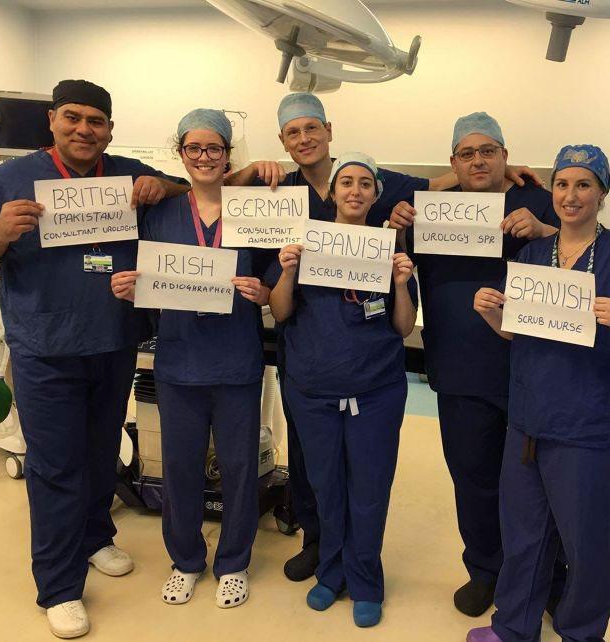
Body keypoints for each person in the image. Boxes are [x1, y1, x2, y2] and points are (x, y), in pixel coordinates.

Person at [231, 93, 543, 583]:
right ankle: (322, 547)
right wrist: (247, 175)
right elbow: (214, 201)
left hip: (379, 374)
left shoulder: (406, 206)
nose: (305, 138)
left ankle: (370, 566)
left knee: (376, 479)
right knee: (317, 470)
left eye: (312, 128)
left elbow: (434, 187)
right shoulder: (283, 191)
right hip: (309, 370)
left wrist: (496, 170)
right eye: (293, 132)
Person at [0, 79, 188, 639]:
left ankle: (93, 537)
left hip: (112, 341)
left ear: (110, 128)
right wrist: (1, 231)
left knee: (101, 449)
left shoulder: (126, 173)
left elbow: (187, 190)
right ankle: (58, 585)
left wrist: (163, 185)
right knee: (56, 464)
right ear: (53, 120)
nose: (85, 129)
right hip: (45, 347)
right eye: (74, 118)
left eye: (97, 121)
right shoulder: (11, 179)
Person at [467, 144, 610, 642]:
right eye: (562, 184)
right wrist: (492, 311)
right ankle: (514, 626)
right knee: (524, 533)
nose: (570, 195)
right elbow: (518, 332)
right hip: (530, 418)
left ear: (602, 192)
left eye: (583, 185)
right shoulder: (535, 255)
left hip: (589, 426)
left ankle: (582, 631)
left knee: (585, 541)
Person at [386, 112, 563, 616]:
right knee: (473, 478)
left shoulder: (538, 203)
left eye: (489, 151)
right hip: (458, 373)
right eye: (467, 153)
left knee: (537, 484)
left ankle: (547, 576)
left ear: (506, 157)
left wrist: (546, 229)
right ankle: (485, 570)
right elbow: (388, 261)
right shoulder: (431, 214)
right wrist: (397, 230)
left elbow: (593, 252)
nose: (478, 160)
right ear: (453, 163)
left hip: (530, 372)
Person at [109, 109, 271, 609]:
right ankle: (185, 560)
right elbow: (142, 276)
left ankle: (234, 562)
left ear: (228, 156)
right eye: (194, 149)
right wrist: (126, 287)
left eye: (214, 149)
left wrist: (262, 291)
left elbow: (274, 283)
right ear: (181, 153)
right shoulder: (160, 214)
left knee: (241, 467)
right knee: (179, 468)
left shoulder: (252, 212)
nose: (204, 157)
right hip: (179, 362)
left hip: (237, 361)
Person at [268, 152, 417, 628]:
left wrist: (400, 282)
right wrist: (288, 270)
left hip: (376, 392)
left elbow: (403, 326)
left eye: (365, 184)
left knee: (369, 489)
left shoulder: (389, 249)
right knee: (326, 488)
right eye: (346, 182)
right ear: (332, 192)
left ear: (376, 194)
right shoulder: (306, 244)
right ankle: (331, 573)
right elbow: (282, 312)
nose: (355, 190)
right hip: (313, 390)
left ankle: (366, 579)